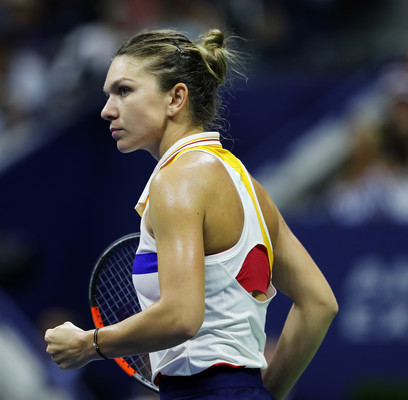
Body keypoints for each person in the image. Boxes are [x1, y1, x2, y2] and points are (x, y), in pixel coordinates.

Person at [44, 28, 338, 400]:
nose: (107, 109)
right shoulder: (247, 185)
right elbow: (319, 304)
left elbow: (182, 316)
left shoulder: (177, 181)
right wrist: (265, 393)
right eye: (108, 95)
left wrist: (91, 344)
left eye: (124, 90)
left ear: (176, 98)